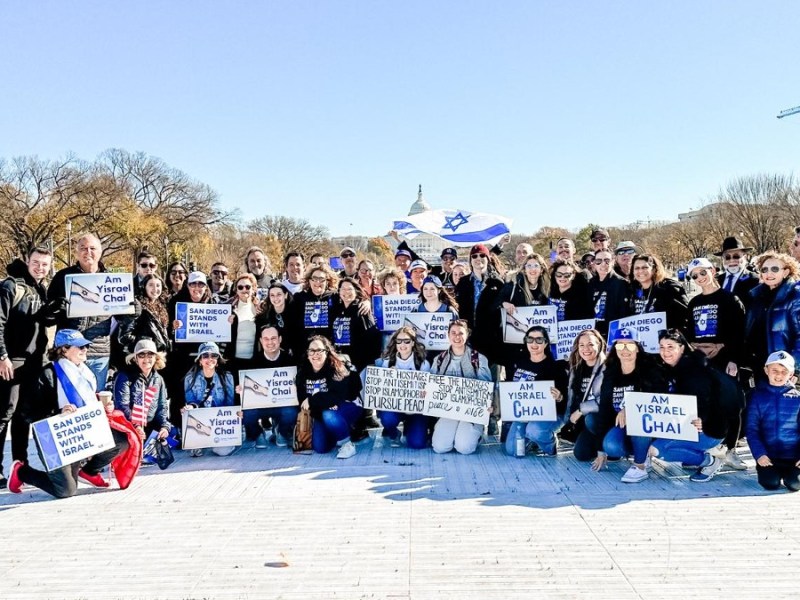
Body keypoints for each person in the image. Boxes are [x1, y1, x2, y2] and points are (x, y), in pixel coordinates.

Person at [8, 330, 129, 498]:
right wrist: (58, 413)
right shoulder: (48, 374)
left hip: (80, 433)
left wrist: (104, 406)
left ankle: (89, 471)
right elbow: (28, 412)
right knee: (65, 490)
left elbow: (87, 401)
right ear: (64, 350)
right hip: (53, 438)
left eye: (86, 346)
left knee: (122, 441)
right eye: (79, 346)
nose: (85, 349)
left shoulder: (85, 372)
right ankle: (22, 472)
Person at [685, 257, 748, 470]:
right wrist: (695, 346)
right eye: (695, 276)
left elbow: (740, 332)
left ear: (713, 270)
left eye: (703, 273)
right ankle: (707, 448)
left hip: (725, 359)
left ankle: (730, 449)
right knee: (705, 404)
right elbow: (689, 333)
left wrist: (729, 354)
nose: (700, 278)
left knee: (731, 403)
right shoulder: (693, 302)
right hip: (702, 362)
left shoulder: (730, 299)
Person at [0, 247, 55, 487]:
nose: (40, 268)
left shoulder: (40, 289)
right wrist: (2, 356)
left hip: (34, 362)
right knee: (4, 415)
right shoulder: (11, 286)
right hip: (11, 361)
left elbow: (40, 323)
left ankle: (19, 467)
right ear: (27, 261)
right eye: (36, 263)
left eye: (44, 264)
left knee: (24, 417)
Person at [651, 329, 728, 482]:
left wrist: (704, 419)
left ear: (682, 348)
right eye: (662, 347)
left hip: (710, 428)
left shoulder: (694, 370)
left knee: (657, 449)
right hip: (687, 424)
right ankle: (693, 454)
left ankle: (709, 462)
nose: (665, 352)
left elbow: (710, 398)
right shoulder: (673, 368)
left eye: (670, 346)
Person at [594, 328, 667, 483]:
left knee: (638, 418)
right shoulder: (611, 373)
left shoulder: (650, 370)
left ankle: (640, 466)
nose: (625, 350)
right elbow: (605, 409)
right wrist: (600, 450)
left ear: (638, 348)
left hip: (650, 424)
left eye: (630, 345)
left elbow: (658, 400)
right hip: (622, 425)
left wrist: (630, 408)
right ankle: (640, 452)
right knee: (610, 446)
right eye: (620, 345)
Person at [48, 234, 115, 391]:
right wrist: (55, 308)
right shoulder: (62, 277)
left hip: (99, 352)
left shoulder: (112, 279)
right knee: (68, 401)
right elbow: (47, 316)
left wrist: (131, 310)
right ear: (77, 252)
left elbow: (123, 318)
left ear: (100, 252)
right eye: (83, 248)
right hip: (68, 351)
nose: (88, 252)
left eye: (92, 248)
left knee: (95, 400)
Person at [503, 326, 568, 457]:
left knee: (534, 431)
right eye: (530, 339)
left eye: (539, 340)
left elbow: (566, 399)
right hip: (524, 414)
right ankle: (534, 441)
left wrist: (560, 397)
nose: (534, 344)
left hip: (551, 414)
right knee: (512, 450)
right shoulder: (519, 362)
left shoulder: (555, 367)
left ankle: (550, 445)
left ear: (546, 343)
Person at [430, 320, 492, 455]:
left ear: (467, 335)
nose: (457, 337)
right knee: (440, 447)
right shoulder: (439, 359)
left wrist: (488, 404)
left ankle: (477, 434)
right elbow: (431, 385)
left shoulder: (478, 359)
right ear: (448, 335)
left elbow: (486, 388)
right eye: (453, 333)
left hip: (470, 413)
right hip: (448, 410)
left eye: (460, 333)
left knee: (464, 448)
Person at [297, 335, 363, 458]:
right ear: (307, 353)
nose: (315, 354)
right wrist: (322, 403)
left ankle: (347, 444)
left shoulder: (336, 367)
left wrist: (313, 400)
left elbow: (337, 396)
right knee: (320, 448)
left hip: (347, 406)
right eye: (312, 350)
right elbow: (303, 401)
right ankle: (338, 431)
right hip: (321, 411)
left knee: (329, 415)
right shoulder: (303, 372)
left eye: (319, 350)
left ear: (327, 352)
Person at [746, 351, 800, 492]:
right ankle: (772, 473)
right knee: (770, 484)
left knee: (794, 485)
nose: (779, 375)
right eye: (774, 370)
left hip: (793, 457)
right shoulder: (757, 397)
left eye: (784, 371)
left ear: (791, 374)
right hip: (769, 457)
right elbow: (752, 429)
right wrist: (759, 454)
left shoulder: (797, 399)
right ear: (766, 370)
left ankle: (791, 475)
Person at [166, 270, 213, 428]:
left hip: (204, 356)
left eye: (201, 284)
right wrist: (172, 327)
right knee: (179, 393)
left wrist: (229, 321)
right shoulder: (176, 303)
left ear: (206, 287)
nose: (197, 287)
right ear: (188, 285)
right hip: (181, 356)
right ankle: (179, 428)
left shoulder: (212, 303)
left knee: (203, 392)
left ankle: (204, 427)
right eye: (193, 284)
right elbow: (167, 331)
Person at [239, 325, 298, 449]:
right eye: (266, 339)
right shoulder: (253, 362)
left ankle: (281, 432)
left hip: (282, 404)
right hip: (261, 406)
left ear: (280, 339)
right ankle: (259, 435)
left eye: (273, 338)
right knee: (246, 413)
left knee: (291, 411)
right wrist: (241, 390)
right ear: (260, 341)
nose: (270, 342)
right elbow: (247, 388)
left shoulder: (291, 361)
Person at [744, 251, 800, 379]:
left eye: (775, 269)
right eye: (764, 269)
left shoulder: (795, 296)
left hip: (782, 369)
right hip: (758, 365)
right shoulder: (755, 296)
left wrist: (794, 369)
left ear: (785, 272)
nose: (769, 273)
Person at [373, 326, 432, 448]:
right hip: (395, 406)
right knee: (387, 417)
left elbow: (427, 389)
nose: (402, 344)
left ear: (413, 343)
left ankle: (411, 427)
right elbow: (381, 390)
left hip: (416, 409)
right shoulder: (388, 362)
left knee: (417, 444)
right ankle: (394, 434)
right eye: (399, 341)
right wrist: (389, 378)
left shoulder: (423, 363)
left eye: (406, 341)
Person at [182, 341, 237, 457]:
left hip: (219, 423)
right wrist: (189, 408)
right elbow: (191, 401)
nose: (210, 359)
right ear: (200, 360)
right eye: (205, 356)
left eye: (214, 355)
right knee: (194, 452)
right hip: (201, 423)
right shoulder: (190, 379)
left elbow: (230, 404)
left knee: (222, 452)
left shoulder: (227, 377)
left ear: (218, 360)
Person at [113, 339, 171, 445]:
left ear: (156, 358)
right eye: (141, 355)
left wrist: (164, 427)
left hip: (150, 426)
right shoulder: (124, 376)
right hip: (129, 427)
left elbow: (162, 407)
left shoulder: (158, 379)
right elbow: (122, 406)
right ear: (135, 359)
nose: (146, 359)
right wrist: (136, 426)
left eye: (150, 355)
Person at [565, 329, 607, 461]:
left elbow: (606, 400)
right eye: (581, 345)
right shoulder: (576, 367)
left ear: (599, 345)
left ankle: (609, 444)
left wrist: (580, 410)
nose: (586, 349)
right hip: (583, 421)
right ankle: (599, 444)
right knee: (581, 454)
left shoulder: (608, 367)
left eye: (590, 344)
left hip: (602, 419)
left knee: (591, 420)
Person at [330, 277, 382, 372]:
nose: (346, 292)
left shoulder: (362, 310)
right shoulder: (337, 309)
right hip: (340, 361)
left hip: (359, 363)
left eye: (350, 289)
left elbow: (373, 338)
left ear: (356, 291)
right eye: (343, 289)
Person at [629, 253, 689, 331]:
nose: (640, 271)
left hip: (667, 340)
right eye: (637, 268)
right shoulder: (632, 290)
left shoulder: (669, 287)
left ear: (654, 269)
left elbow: (685, 316)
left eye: (645, 267)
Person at [588, 249, 630, 337]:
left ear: (613, 262)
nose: (603, 264)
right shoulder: (590, 283)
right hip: (593, 334)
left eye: (607, 261)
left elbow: (624, 313)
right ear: (594, 263)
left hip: (612, 334)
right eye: (599, 261)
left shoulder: (621, 283)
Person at [225, 273, 261, 372]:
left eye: (247, 287)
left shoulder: (260, 309)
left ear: (253, 289)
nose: (244, 289)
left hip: (254, 361)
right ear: (236, 290)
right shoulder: (228, 309)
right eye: (240, 287)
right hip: (233, 361)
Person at [126, 274, 171, 353]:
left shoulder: (163, 306)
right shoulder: (137, 306)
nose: (155, 289)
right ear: (144, 287)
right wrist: (143, 341)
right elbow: (125, 335)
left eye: (158, 285)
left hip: (160, 353)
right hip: (143, 353)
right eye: (151, 285)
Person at [714, 237, 758, 309]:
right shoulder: (716, 281)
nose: (731, 260)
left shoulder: (755, 280)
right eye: (727, 257)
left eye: (736, 256)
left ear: (745, 257)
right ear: (722, 259)